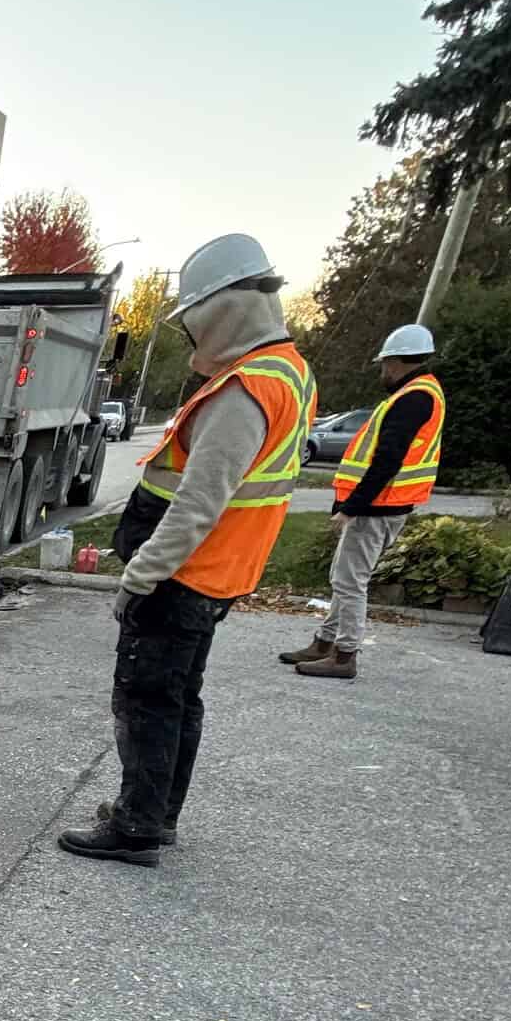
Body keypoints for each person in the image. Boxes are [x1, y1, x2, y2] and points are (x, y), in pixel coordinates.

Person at [59, 232, 315, 868]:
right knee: (177, 697)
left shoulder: (245, 389)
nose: (189, 337)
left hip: (183, 576)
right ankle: (152, 811)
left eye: (190, 321)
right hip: (215, 574)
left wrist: (140, 575)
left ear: (220, 310)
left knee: (146, 698)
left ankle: (139, 825)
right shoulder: (286, 373)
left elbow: (200, 503)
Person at [282, 323, 444, 682]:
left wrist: (351, 507)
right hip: (385, 506)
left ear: (397, 362)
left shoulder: (413, 399)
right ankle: (324, 643)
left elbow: (387, 460)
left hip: (378, 507)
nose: (382, 372)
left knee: (350, 581)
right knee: (344, 576)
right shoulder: (420, 393)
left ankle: (344, 654)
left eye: (384, 365)